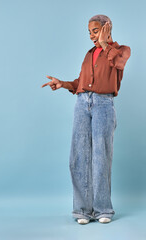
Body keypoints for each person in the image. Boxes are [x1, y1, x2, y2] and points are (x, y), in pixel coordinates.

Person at [41, 14, 131, 224]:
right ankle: (82, 210)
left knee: (101, 156)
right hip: (82, 103)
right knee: (78, 157)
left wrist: (104, 44)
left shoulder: (121, 50)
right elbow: (81, 82)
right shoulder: (89, 54)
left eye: (95, 30)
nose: (91, 35)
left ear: (107, 28)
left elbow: (117, 63)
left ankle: (103, 210)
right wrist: (62, 83)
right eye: (89, 32)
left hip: (103, 104)